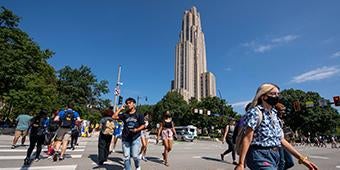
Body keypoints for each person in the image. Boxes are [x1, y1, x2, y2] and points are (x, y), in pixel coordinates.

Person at [235, 83, 318, 170]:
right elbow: (247, 138)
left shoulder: (274, 114)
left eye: (278, 94)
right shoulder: (255, 113)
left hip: (275, 155)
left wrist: (302, 159)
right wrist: (241, 163)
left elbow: (281, 140)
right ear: (263, 96)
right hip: (259, 155)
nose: (276, 96)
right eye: (273, 94)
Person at [112, 97, 145, 170]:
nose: (128, 104)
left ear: (134, 104)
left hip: (135, 137)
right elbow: (114, 117)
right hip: (125, 137)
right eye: (127, 103)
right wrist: (120, 109)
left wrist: (137, 129)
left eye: (130, 103)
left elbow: (143, 125)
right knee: (126, 156)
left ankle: (137, 166)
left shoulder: (139, 114)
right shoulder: (125, 114)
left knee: (135, 156)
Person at [275, 103, 294, 170]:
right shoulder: (274, 118)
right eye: (281, 110)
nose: (283, 112)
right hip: (278, 144)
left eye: (284, 110)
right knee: (282, 162)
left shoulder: (281, 119)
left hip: (284, 142)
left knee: (290, 162)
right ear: (277, 111)